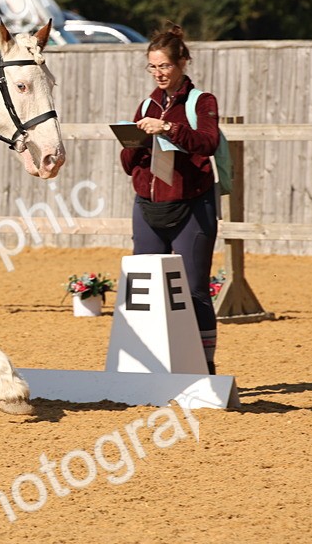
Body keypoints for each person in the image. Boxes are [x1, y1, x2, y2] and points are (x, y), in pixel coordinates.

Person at [119, 23, 221, 374]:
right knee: (145, 289)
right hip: (147, 207)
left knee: (194, 291)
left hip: (192, 204)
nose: (159, 73)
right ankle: (148, 367)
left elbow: (208, 143)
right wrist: (133, 141)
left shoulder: (201, 101)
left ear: (182, 63)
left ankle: (205, 367)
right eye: (153, 66)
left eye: (165, 66)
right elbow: (127, 164)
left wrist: (168, 129)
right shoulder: (147, 103)